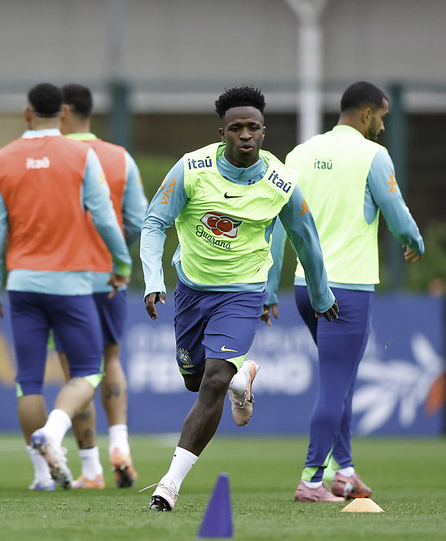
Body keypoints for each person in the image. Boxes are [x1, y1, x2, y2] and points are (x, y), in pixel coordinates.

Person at [140, 85, 338, 511]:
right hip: (191, 289)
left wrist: (321, 296)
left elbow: (306, 240)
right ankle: (241, 377)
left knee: (211, 382)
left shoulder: (282, 182)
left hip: (243, 292)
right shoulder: (191, 169)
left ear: (264, 132)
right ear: (222, 133)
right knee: (194, 379)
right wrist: (153, 279)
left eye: (253, 127)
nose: (245, 135)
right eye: (236, 128)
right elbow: (154, 222)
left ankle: (169, 485)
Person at [270, 81, 425, 503]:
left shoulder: (300, 154)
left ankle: (345, 472)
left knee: (343, 381)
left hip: (306, 287)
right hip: (347, 290)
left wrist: (269, 286)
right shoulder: (373, 155)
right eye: (382, 118)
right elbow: (396, 213)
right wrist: (414, 240)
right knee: (336, 386)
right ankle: (312, 480)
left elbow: (278, 224)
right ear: (366, 114)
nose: (383, 126)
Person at [0, 82, 131, 490]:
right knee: (89, 371)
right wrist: (121, 262)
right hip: (71, 283)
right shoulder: (81, 155)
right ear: (62, 114)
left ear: (27, 112)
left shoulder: (1, 159)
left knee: (28, 381)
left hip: (22, 284)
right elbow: (104, 216)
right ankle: (54, 430)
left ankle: (41, 476)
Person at [56, 83, 147, 489]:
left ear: (63, 111)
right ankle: (121, 446)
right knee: (111, 359)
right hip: (109, 275)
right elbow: (138, 219)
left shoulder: (54, 156)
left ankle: (91, 468)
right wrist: (113, 253)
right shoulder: (119, 157)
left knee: (75, 370)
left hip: (63, 278)